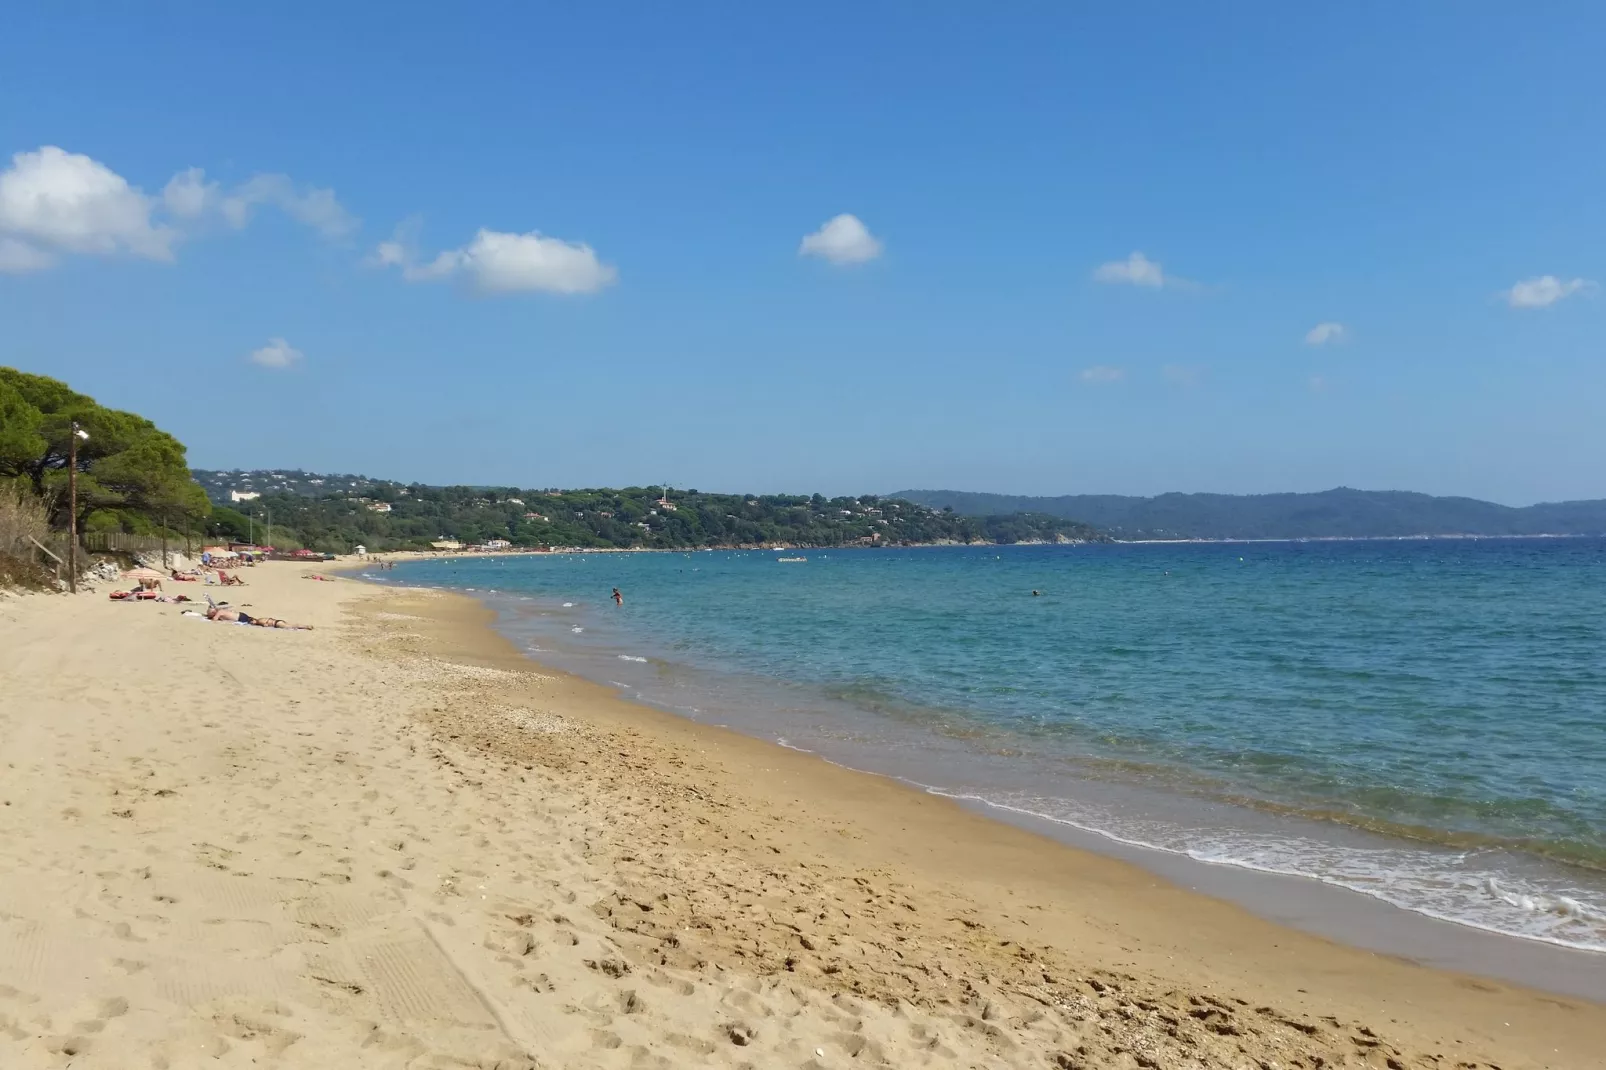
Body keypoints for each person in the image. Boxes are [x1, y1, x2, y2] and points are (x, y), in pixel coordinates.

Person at [204, 605, 313, 630]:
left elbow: (214, 620)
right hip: (242, 616)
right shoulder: (223, 611)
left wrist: (209, 618)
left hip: (241, 618)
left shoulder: (220, 612)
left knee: (290, 626)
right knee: (290, 625)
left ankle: (304, 626)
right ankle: (304, 626)